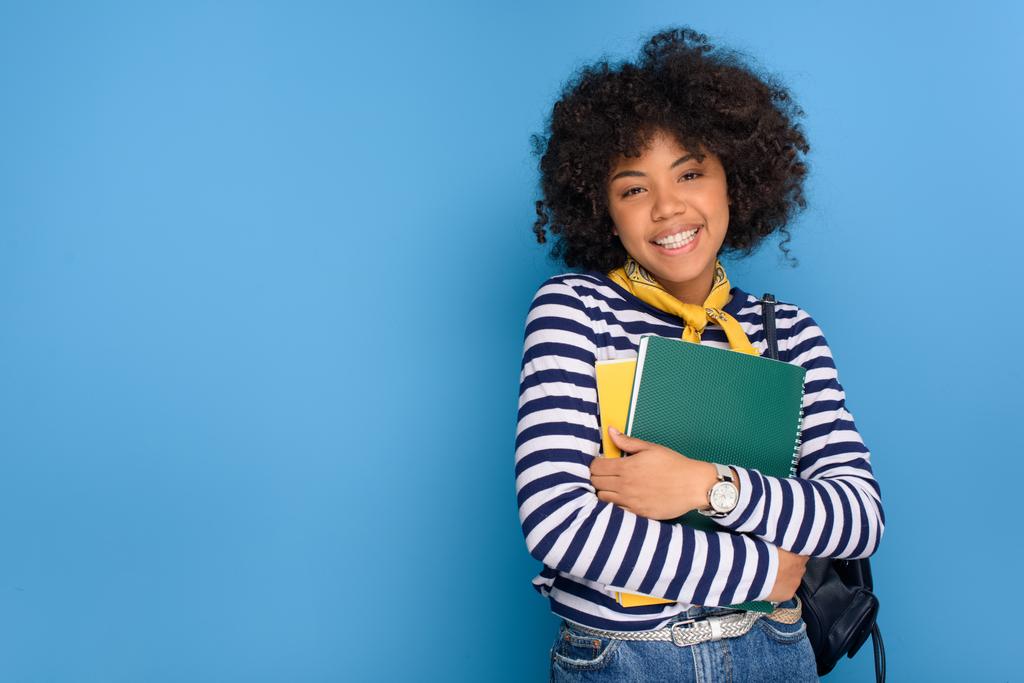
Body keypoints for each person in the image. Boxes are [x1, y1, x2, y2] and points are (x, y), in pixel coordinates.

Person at [515, 27, 884, 682]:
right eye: (633, 188)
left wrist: (709, 487)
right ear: (603, 209)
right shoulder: (574, 310)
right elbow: (560, 524)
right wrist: (763, 568)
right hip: (628, 657)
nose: (667, 207)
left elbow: (856, 516)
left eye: (690, 172)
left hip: (775, 647)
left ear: (733, 180)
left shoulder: (789, 333)